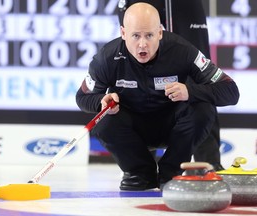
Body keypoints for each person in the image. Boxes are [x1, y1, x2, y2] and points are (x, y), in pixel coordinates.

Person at [76, 3, 239, 191]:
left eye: (149, 35)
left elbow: (231, 91)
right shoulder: (107, 58)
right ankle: (140, 172)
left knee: (203, 109)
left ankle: (171, 172)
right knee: (103, 119)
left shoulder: (183, 50)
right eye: (135, 36)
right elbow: (82, 97)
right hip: (134, 129)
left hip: (173, 127)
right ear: (123, 33)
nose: (142, 44)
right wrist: (100, 101)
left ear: (160, 33)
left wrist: (190, 91)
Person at [118, 0, 224, 171]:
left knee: (197, 73)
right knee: (137, 67)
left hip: (179, 5)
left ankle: (208, 165)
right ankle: (142, 170)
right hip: (132, 3)